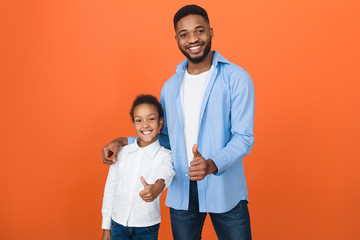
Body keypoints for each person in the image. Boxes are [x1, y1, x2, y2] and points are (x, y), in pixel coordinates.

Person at [102, 5, 255, 240]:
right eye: (184, 34)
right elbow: (165, 140)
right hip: (181, 189)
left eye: (199, 31)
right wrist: (124, 141)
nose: (193, 39)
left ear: (211, 32)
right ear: (177, 39)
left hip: (224, 189)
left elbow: (243, 137)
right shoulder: (170, 87)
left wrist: (212, 164)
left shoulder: (236, 78)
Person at [101, 94, 175, 240]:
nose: (145, 124)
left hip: (146, 226)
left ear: (160, 123)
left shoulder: (165, 155)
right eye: (139, 120)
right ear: (134, 124)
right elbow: (110, 189)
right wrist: (106, 228)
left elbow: (167, 172)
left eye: (151, 119)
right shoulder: (122, 152)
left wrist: (158, 186)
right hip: (117, 223)